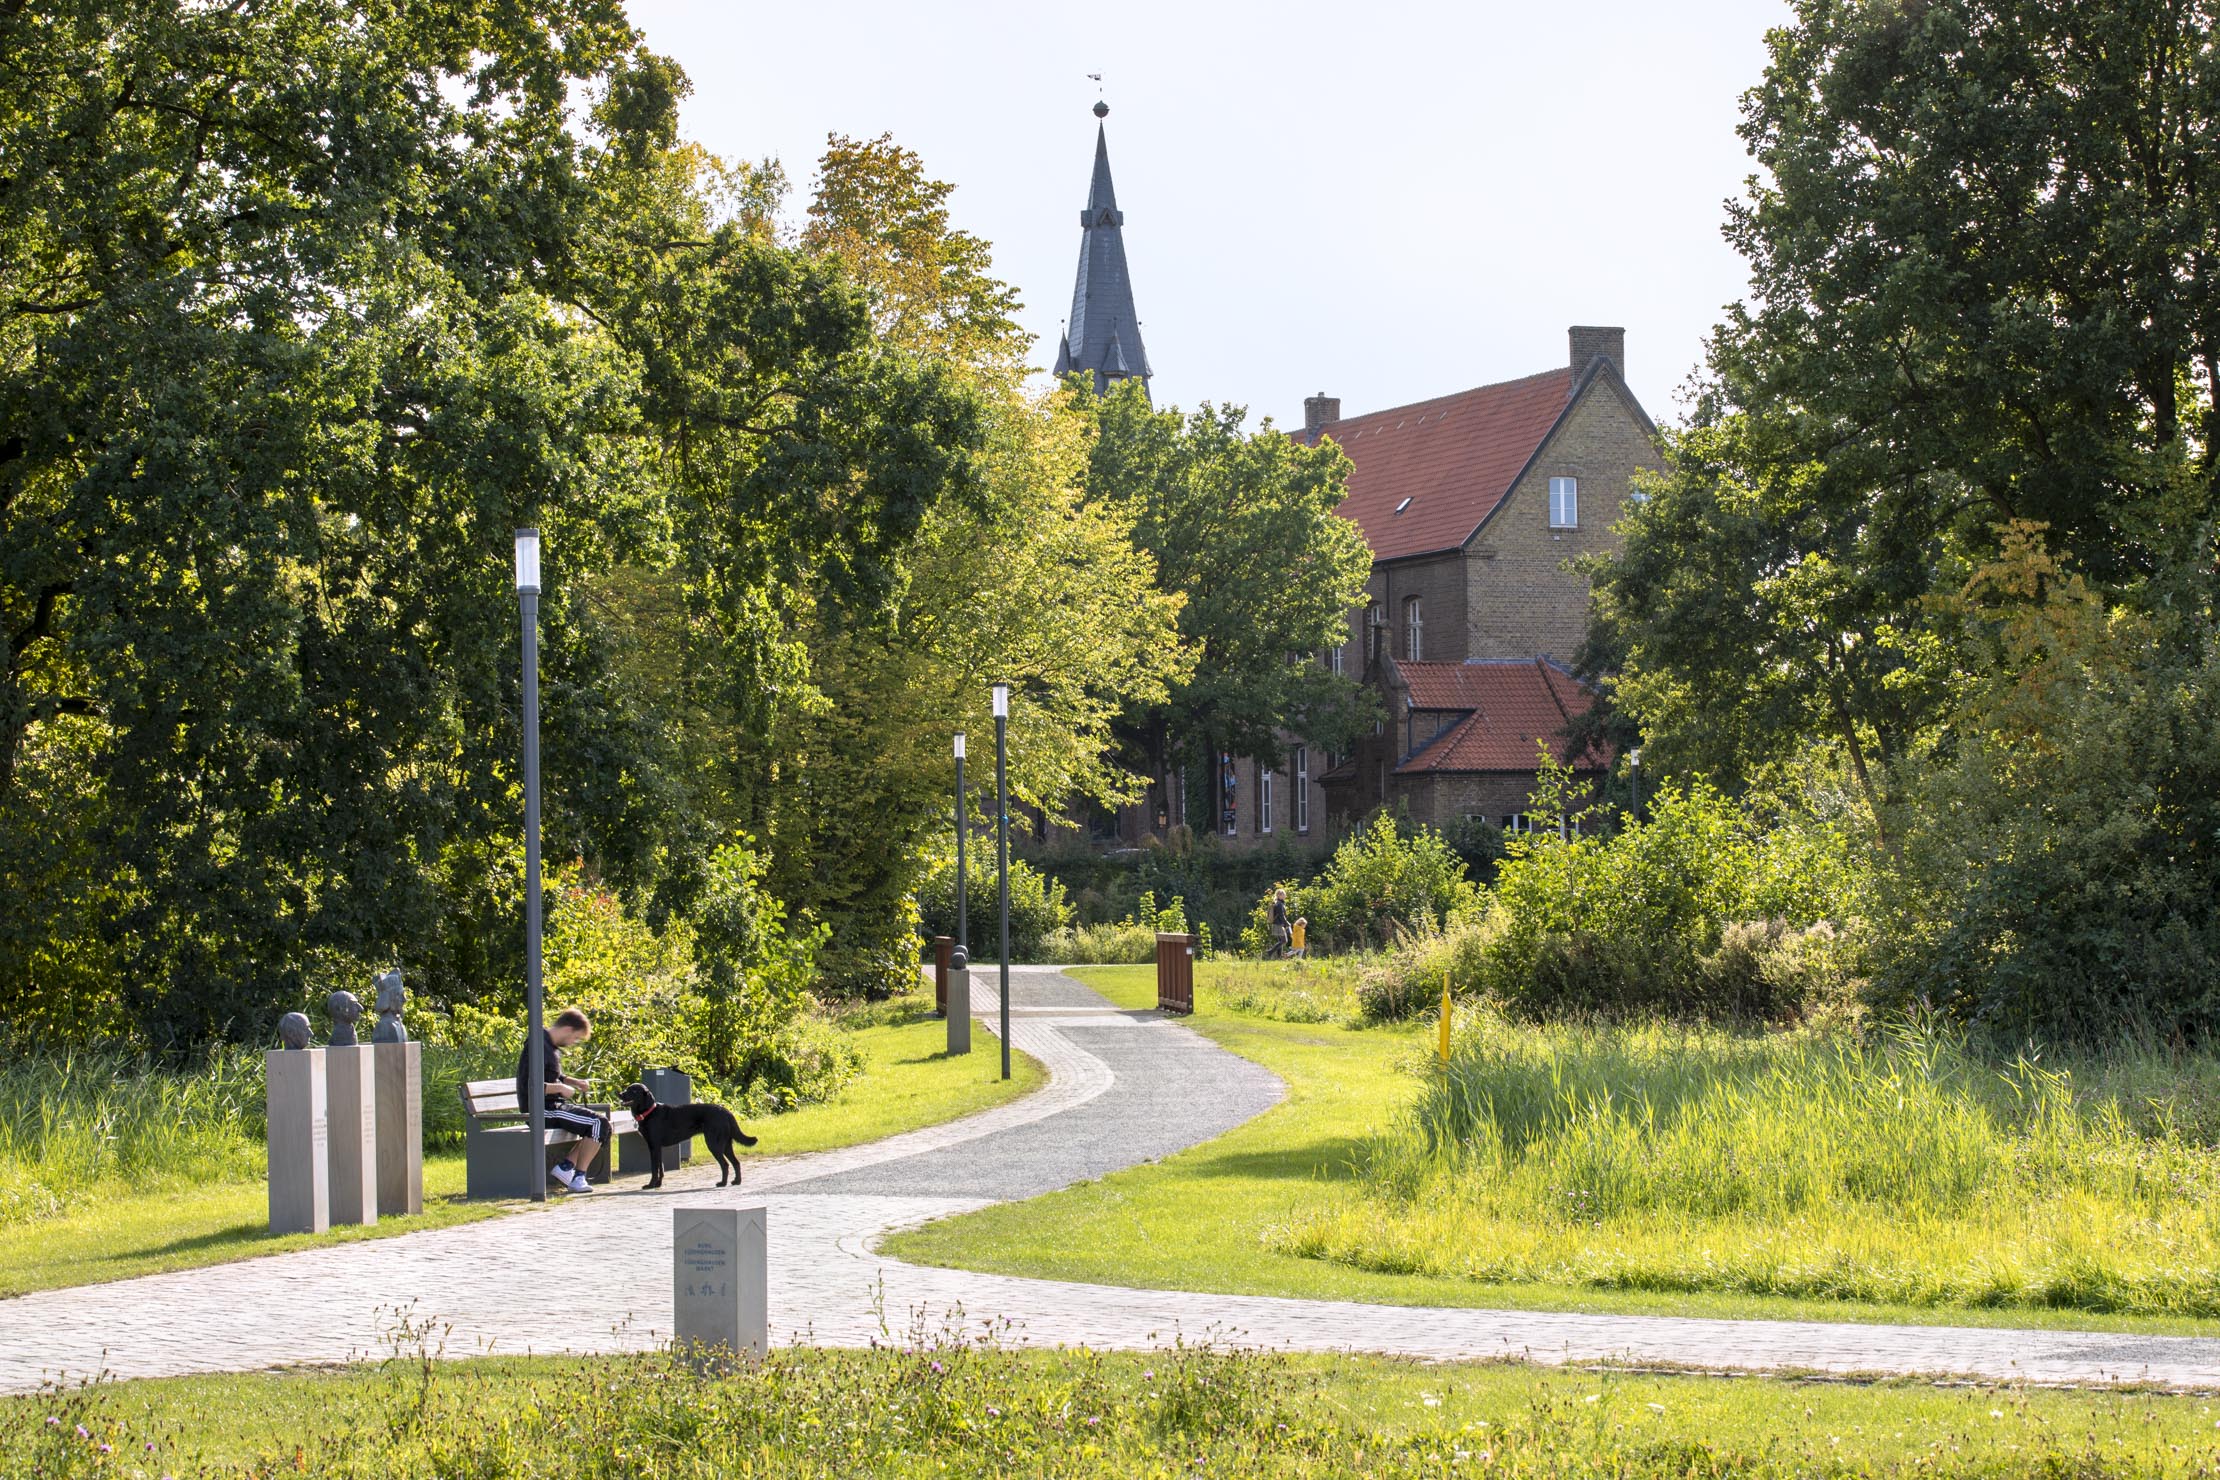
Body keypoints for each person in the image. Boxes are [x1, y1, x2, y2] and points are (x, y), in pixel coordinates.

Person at [516, 1008, 603, 1193]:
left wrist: (574, 1082)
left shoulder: (550, 1047)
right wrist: (561, 1089)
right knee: (597, 1123)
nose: (573, 1043)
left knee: (600, 1124)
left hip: (552, 1106)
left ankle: (566, 1169)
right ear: (567, 1030)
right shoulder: (537, 1046)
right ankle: (576, 1177)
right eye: (576, 1038)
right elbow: (529, 1085)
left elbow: (555, 1075)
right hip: (540, 1109)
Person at [1267, 887, 1292, 959]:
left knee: (1280, 941)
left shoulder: (1278, 903)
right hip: (1278, 924)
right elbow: (1281, 915)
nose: (1285, 896)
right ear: (1279, 895)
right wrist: (1287, 923)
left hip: (1276, 924)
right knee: (1284, 940)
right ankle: (1270, 952)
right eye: (1284, 894)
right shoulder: (1279, 904)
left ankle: (1279, 957)